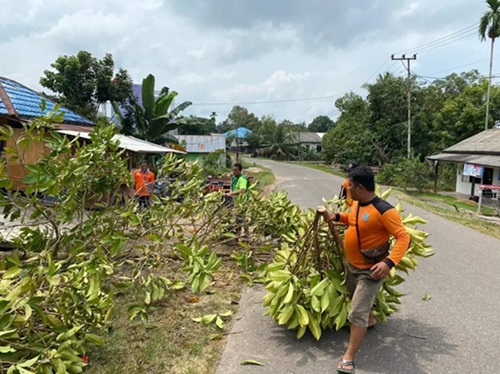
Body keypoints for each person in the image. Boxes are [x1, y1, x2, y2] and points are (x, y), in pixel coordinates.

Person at [329, 166, 410, 374]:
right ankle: (370, 319)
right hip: (352, 266)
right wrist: (337, 217)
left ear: (361, 187)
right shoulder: (357, 204)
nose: (348, 189)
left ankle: (348, 359)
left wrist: (388, 263)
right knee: (352, 296)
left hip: (370, 270)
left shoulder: (384, 210)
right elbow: (352, 220)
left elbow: (403, 237)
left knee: (356, 312)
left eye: (351, 186)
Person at [224, 163, 249, 237]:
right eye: (233, 170)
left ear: (240, 171)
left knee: (239, 219)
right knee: (242, 219)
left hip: (242, 203)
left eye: (236, 170)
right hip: (237, 202)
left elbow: (242, 190)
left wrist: (231, 193)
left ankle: (238, 237)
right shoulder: (235, 178)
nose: (234, 172)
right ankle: (245, 235)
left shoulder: (242, 179)